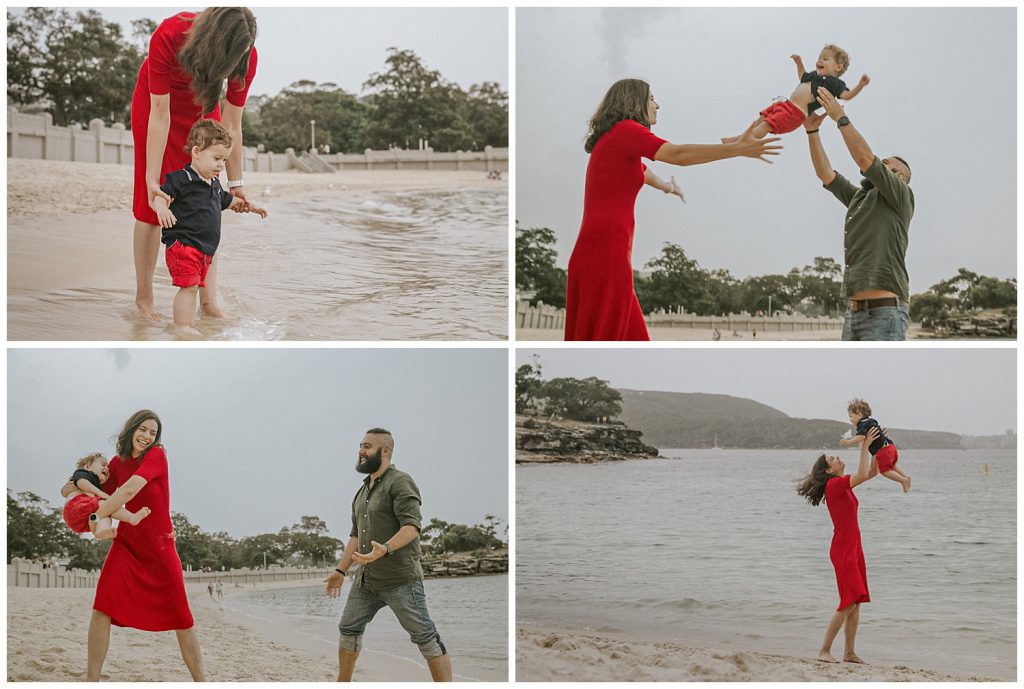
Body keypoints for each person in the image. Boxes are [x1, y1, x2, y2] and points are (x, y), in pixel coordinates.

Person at [564, 78, 782, 341]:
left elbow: (643, 174)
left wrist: (669, 188)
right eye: (652, 98)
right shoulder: (626, 130)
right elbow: (677, 155)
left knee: (633, 340)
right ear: (635, 101)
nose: (657, 105)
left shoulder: (614, 142)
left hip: (601, 252)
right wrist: (735, 149)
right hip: (605, 253)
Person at [132, 8, 259, 322]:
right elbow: (160, 115)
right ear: (215, 40)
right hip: (157, 107)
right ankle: (144, 299)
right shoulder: (170, 35)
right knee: (152, 207)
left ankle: (208, 301)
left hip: (204, 107)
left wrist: (236, 183)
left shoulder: (246, 53)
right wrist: (152, 181)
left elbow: (232, 124)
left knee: (207, 201)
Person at [324, 428, 452, 682]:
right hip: (366, 581)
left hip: (400, 580)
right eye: (360, 445)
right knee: (348, 628)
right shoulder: (361, 492)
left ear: (385, 451)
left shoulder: (400, 481)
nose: (361, 451)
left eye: (367, 446)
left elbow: (411, 527)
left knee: (425, 636)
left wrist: (385, 549)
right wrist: (340, 571)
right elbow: (354, 537)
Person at [86, 410, 205, 681]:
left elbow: (127, 492)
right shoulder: (117, 462)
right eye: (143, 429)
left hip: (160, 547)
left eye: (153, 433)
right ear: (131, 430)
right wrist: (74, 488)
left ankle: (203, 682)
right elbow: (97, 489)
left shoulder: (156, 456)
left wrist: (99, 514)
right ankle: (91, 679)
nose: (147, 436)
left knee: (182, 620)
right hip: (127, 545)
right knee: (102, 608)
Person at [804, 85, 914, 341]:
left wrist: (840, 117)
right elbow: (826, 174)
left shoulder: (901, 196)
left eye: (886, 165)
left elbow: (865, 159)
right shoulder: (860, 198)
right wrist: (812, 130)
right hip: (853, 315)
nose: (880, 166)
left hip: (885, 314)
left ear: (898, 177)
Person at [152, 118, 268, 334]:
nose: (221, 165)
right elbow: (161, 195)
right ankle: (181, 326)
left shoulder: (213, 185)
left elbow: (229, 201)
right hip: (183, 245)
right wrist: (162, 208)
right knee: (188, 288)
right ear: (196, 152)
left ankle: (185, 323)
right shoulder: (181, 179)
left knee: (193, 287)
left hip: (204, 250)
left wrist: (250, 207)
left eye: (224, 160)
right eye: (216, 158)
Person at [796, 426, 880, 664]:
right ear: (828, 470)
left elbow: (871, 472)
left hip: (854, 548)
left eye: (833, 456)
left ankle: (849, 652)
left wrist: (877, 446)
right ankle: (824, 650)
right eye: (831, 458)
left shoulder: (841, 483)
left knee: (857, 601)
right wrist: (863, 445)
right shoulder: (834, 486)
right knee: (848, 600)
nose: (836, 457)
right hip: (843, 549)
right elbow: (863, 474)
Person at [723, 44, 869, 141]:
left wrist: (860, 85)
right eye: (819, 57)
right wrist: (799, 63)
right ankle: (738, 139)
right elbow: (802, 77)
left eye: (825, 59)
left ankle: (748, 141)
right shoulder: (813, 75)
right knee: (762, 119)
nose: (820, 60)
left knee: (767, 124)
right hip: (785, 105)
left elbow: (846, 96)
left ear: (837, 67)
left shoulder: (833, 82)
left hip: (795, 114)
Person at [61, 452, 150, 540]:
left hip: (80, 521)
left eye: (107, 467)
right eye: (103, 465)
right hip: (75, 507)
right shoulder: (84, 474)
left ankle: (102, 530)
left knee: (106, 512)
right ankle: (130, 517)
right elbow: (81, 483)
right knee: (107, 504)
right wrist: (99, 493)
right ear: (87, 466)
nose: (106, 469)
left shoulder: (96, 485)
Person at [841, 398, 911, 492]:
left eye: (851, 416)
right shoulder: (871, 422)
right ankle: (906, 477)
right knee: (891, 465)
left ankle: (903, 480)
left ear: (859, 414)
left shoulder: (863, 424)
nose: (850, 419)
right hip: (890, 447)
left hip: (883, 450)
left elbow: (861, 437)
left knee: (885, 471)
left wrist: (849, 442)